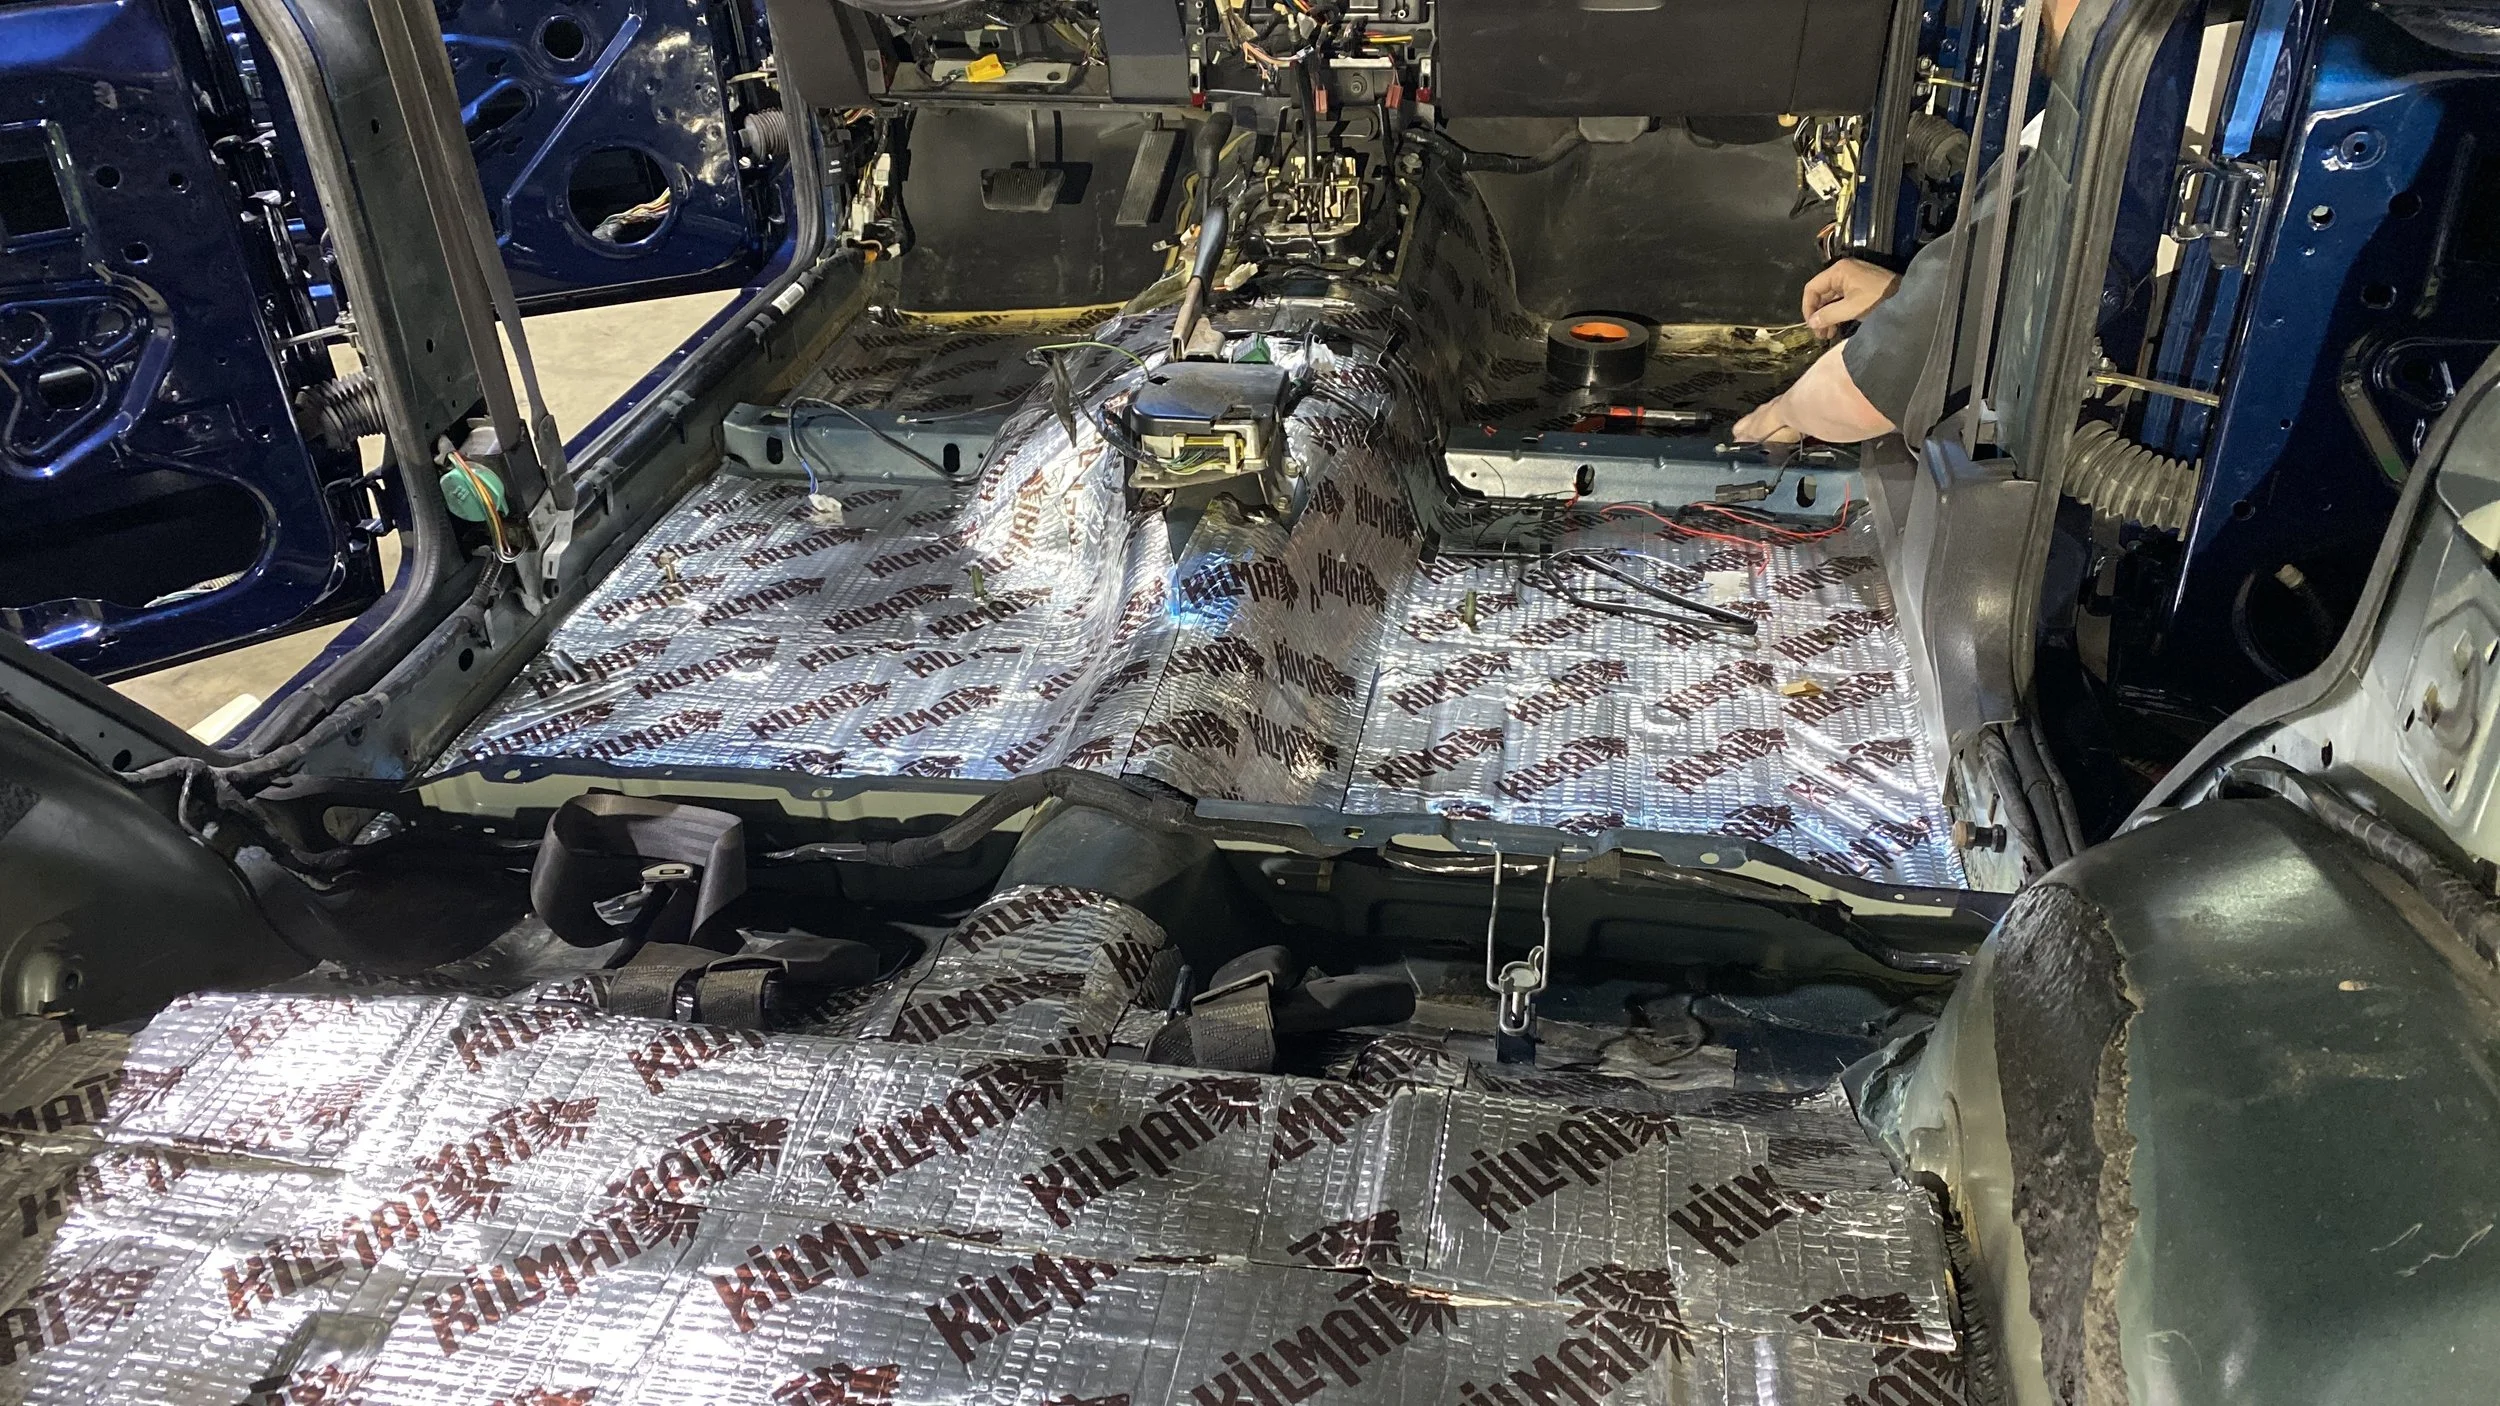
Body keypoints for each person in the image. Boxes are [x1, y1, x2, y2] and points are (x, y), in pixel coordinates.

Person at [1732, 0, 2083, 448]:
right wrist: (1901, 297)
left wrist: (1781, 412)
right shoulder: (2097, 112)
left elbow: (1869, 392)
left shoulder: (2077, 152)